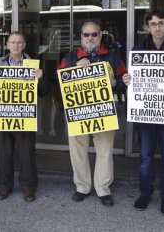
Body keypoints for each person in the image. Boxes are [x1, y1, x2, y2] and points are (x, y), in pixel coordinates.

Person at [58, 22, 125, 207]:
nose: (90, 38)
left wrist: (115, 83)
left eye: (94, 34)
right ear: (81, 36)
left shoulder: (112, 57)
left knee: (104, 151)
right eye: (86, 35)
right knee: (77, 151)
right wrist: (74, 68)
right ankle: (82, 187)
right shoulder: (71, 57)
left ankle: (103, 189)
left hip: (103, 112)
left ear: (100, 36)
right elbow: (60, 79)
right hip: (78, 112)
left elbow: (125, 79)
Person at [0, 31, 47, 202]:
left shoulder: (33, 64)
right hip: (3, 116)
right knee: (4, 153)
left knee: (27, 154)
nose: (16, 45)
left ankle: (28, 188)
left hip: (24, 115)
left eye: (19, 42)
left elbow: (43, 92)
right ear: (7, 45)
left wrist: (41, 78)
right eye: (12, 42)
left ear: (24, 45)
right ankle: (4, 187)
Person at [122, 10, 164, 216]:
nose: (157, 28)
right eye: (153, 24)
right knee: (145, 157)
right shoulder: (139, 48)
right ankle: (145, 193)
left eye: (161, 23)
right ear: (148, 27)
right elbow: (133, 78)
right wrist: (127, 80)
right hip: (146, 113)